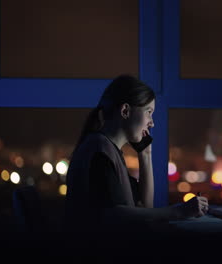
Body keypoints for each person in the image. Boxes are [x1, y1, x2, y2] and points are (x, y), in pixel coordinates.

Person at [64, 74, 208, 236]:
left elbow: (145, 207)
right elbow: (114, 214)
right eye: (148, 112)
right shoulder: (100, 149)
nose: (152, 122)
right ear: (125, 111)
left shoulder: (108, 149)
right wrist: (177, 212)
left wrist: (145, 154)